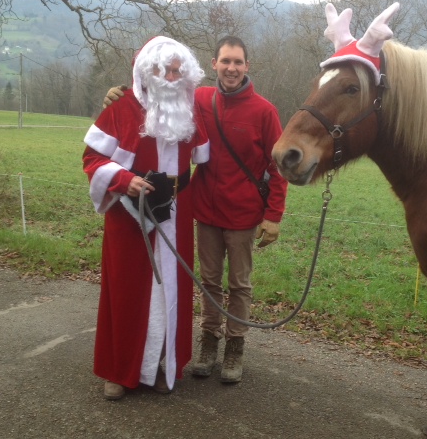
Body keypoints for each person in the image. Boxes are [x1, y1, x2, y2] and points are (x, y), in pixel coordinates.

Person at [104, 35, 288, 383]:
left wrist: (273, 215)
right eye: (225, 61)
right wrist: (120, 94)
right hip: (204, 211)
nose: (231, 68)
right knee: (208, 283)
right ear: (215, 65)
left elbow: (276, 166)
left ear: (247, 66)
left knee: (239, 284)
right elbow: (155, 97)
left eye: (238, 62)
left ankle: (235, 346)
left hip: (244, 215)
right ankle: (208, 342)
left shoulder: (264, 111)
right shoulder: (199, 98)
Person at [84, 36, 209, 400]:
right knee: (126, 292)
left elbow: (203, 161)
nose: (169, 77)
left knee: (170, 291)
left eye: (176, 70)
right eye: (162, 69)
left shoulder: (191, 108)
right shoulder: (121, 106)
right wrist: (123, 180)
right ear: (146, 70)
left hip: (175, 214)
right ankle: (118, 371)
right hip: (129, 216)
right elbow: (92, 160)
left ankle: (162, 365)